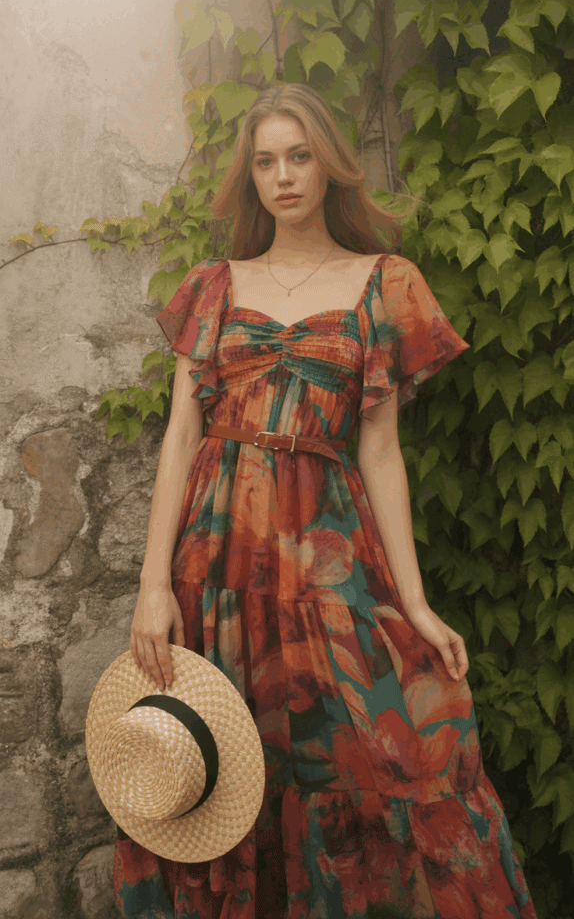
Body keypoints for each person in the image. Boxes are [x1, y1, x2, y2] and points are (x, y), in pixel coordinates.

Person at [114, 83, 538, 918]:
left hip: (330, 551)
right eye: (266, 161)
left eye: (299, 155)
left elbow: (381, 451)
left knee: (387, 751)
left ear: (329, 165)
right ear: (250, 178)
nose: (284, 175)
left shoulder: (385, 283)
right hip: (215, 558)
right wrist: (152, 586)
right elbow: (179, 436)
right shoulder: (212, 285)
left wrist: (413, 601)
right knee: (226, 770)